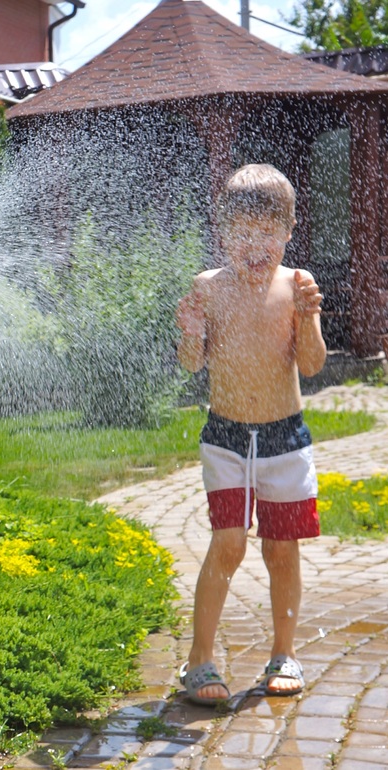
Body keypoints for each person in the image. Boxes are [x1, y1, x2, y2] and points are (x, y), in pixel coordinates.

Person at [175, 163, 327, 706]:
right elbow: (191, 362)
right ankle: (200, 659)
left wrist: (308, 319)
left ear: (288, 231)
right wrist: (190, 332)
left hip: (285, 437)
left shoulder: (295, 285)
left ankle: (284, 653)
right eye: (242, 232)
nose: (255, 245)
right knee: (230, 543)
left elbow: (311, 365)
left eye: (267, 232)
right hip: (227, 438)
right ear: (223, 233)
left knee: (282, 550)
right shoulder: (209, 288)